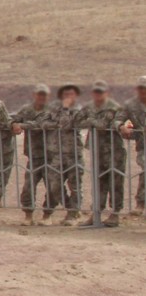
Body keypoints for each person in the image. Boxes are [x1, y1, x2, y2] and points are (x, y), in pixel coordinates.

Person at [76, 81, 125, 227]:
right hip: (97, 151)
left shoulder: (114, 107)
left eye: (101, 92)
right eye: (96, 92)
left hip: (114, 151)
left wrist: (91, 122)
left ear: (107, 93)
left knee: (115, 182)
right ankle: (96, 213)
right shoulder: (88, 107)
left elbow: (105, 125)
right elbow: (76, 121)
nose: (98, 95)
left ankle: (115, 214)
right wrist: (92, 122)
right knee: (99, 183)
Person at [13, 84, 56, 225]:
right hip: (34, 155)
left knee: (52, 186)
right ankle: (28, 214)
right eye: (39, 94)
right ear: (34, 95)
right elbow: (14, 120)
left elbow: (46, 124)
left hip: (51, 155)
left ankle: (47, 215)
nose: (42, 97)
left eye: (44, 95)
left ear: (48, 96)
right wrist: (14, 124)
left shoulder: (53, 110)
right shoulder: (26, 109)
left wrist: (24, 126)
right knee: (28, 186)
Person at [49, 84, 85, 226]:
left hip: (74, 153)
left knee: (75, 184)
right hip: (57, 152)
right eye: (65, 94)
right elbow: (46, 121)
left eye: (71, 94)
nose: (68, 97)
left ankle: (73, 213)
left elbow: (65, 124)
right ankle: (71, 207)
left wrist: (65, 109)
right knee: (54, 184)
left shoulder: (79, 110)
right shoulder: (53, 107)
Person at [119, 76, 146, 217]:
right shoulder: (131, 105)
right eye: (141, 88)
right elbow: (119, 119)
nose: (144, 91)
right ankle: (141, 203)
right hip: (143, 146)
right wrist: (122, 126)